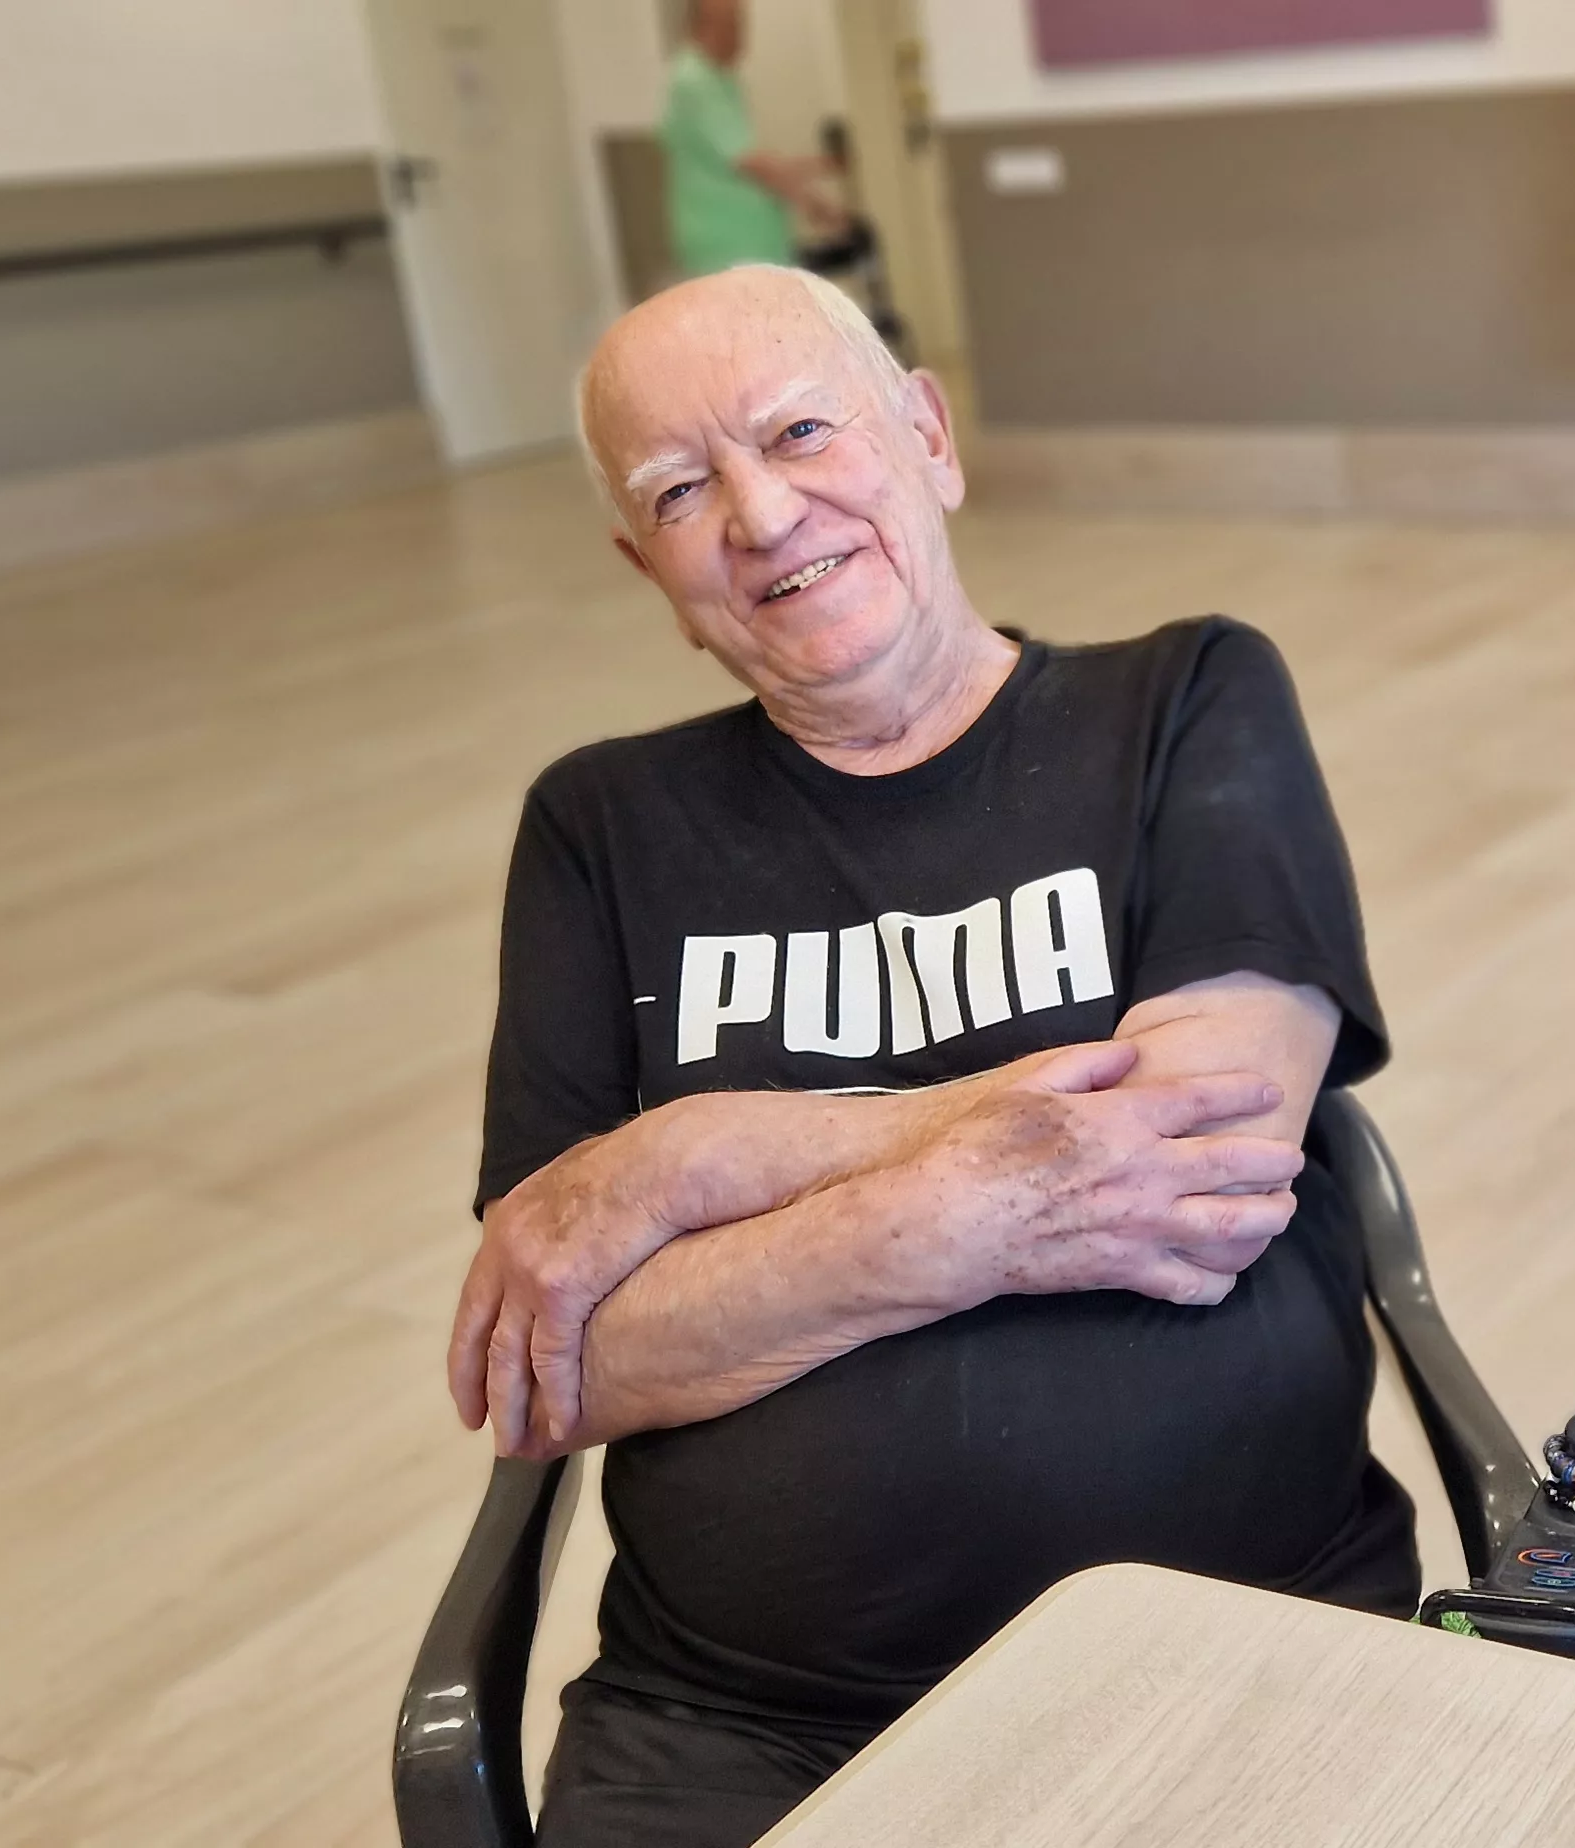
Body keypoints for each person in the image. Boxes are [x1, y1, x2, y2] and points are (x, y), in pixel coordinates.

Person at [446, 264, 1414, 1847]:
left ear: (930, 437)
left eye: (802, 430)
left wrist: (697, 1162)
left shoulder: (1185, 701)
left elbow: (1209, 1153)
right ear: (650, 569)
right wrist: (986, 1190)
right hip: (751, 1724)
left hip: (1249, 1646)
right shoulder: (597, 828)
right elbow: (565, 1356)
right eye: (683, 489)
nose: (761, 516)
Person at [662, 0, 835, 279]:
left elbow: (738, 152)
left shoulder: (720, 79)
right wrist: (812, 202)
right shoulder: (693, 81)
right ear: (703, 25)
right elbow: (751, 162)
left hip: (749, 244)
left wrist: (815, 166)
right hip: (725, 247)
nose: (742, 37)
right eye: (733, 26)